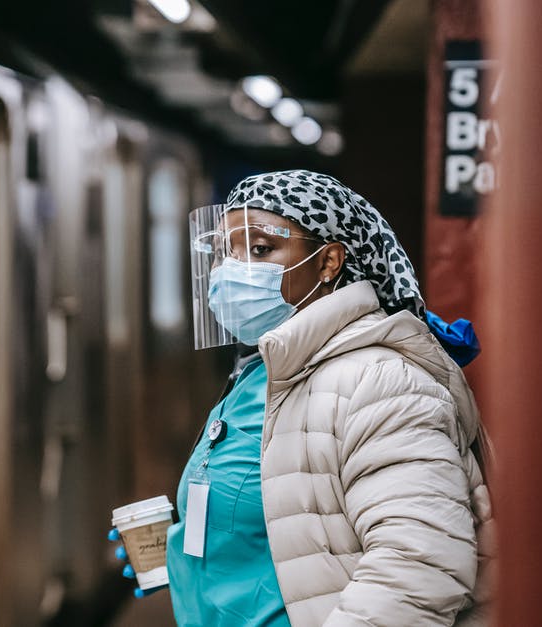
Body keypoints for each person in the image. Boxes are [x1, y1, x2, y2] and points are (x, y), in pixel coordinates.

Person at [111, 170, 494, 626]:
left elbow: (419, 568)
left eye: (260, 250)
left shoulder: (379, 382)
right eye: (227, 252)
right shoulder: (267, 371)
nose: (234, 269)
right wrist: (186, 555)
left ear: (329, 262)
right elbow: (289, 522)